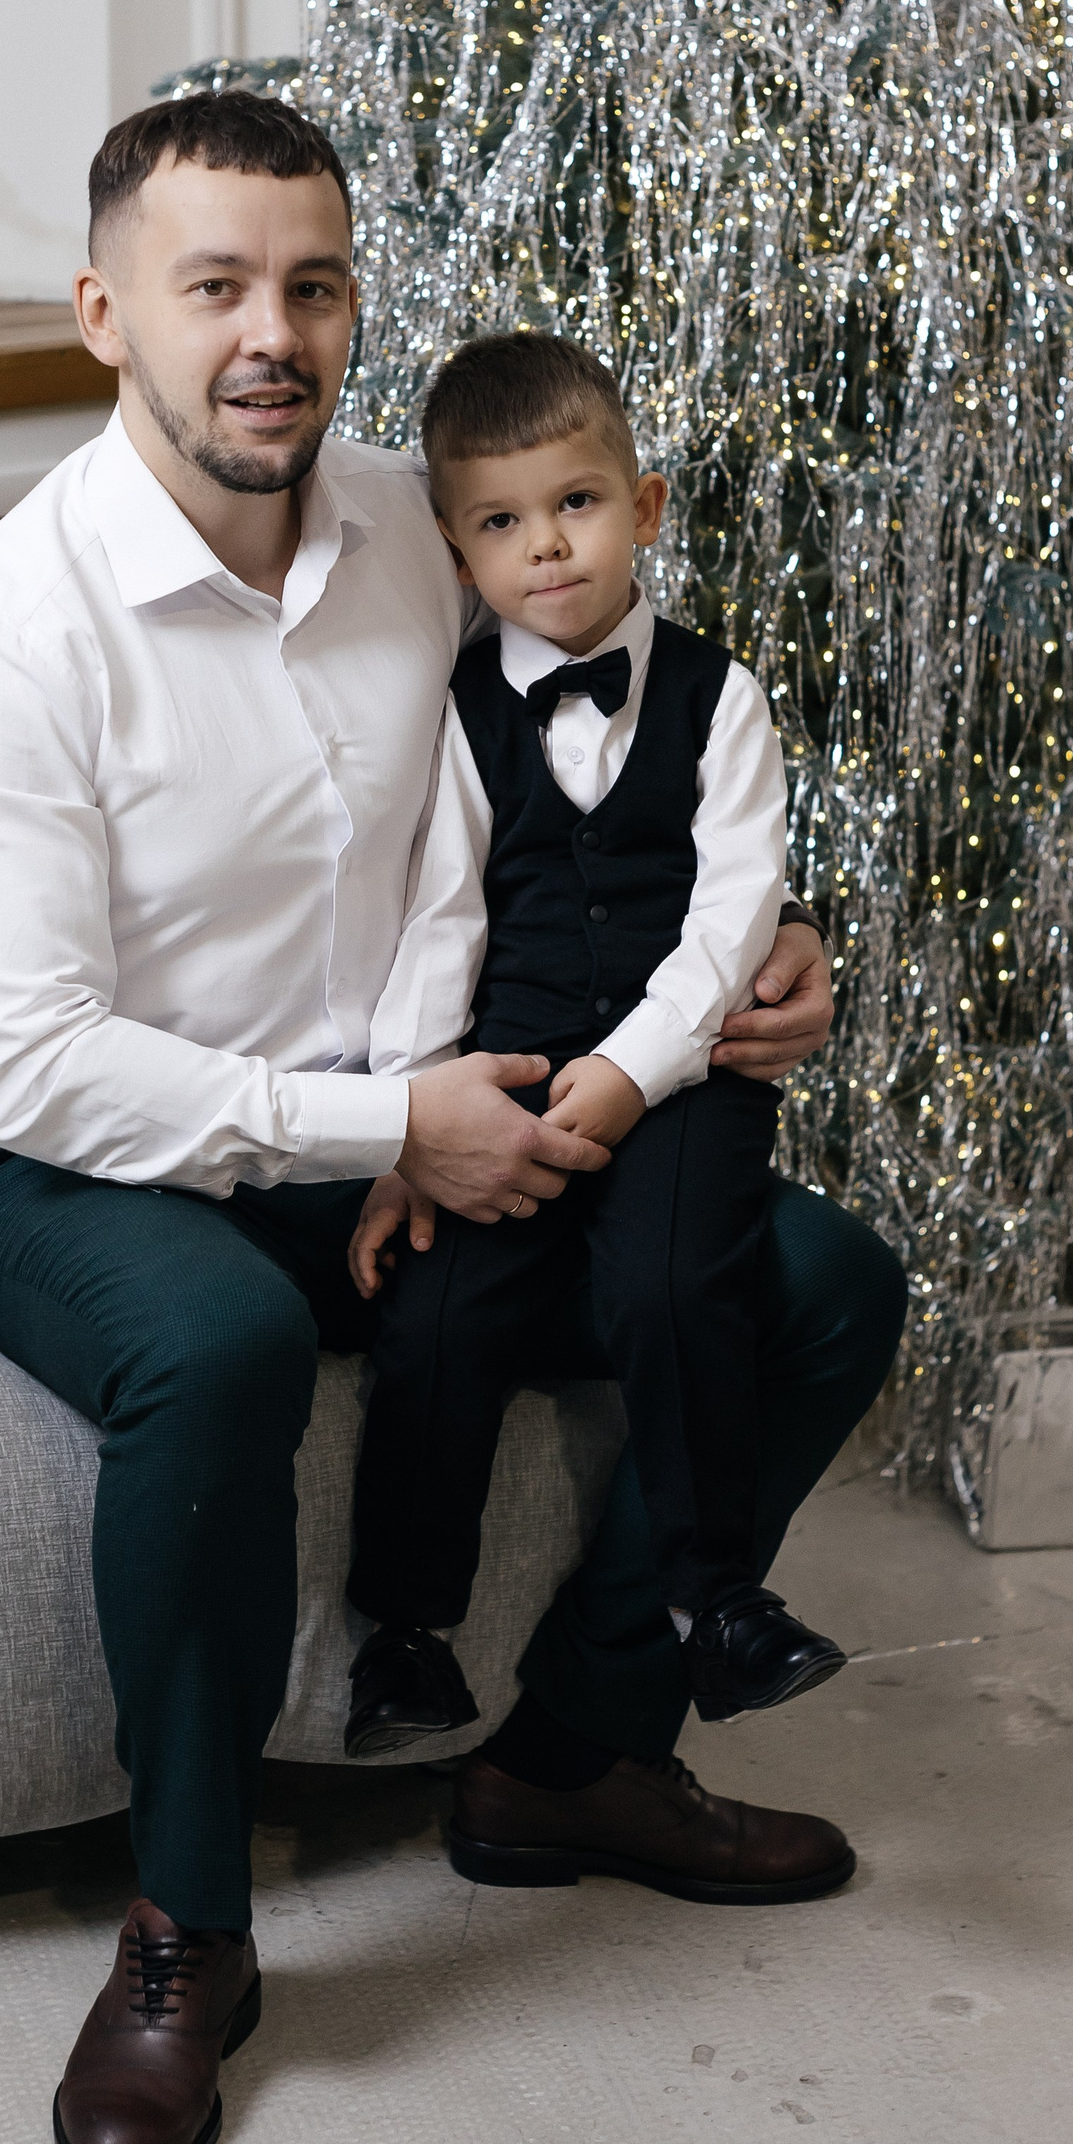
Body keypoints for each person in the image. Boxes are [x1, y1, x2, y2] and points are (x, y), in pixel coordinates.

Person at [0, 89, 904, 2144]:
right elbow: (33, 1068)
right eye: (214, 286)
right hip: (104, 1166)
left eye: (313, 285)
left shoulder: (426, 534)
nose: (273, 334)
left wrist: (774, 957)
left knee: (827, 1285)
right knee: (221, 1351)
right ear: (103, 313)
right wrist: (388, 1123)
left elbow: (617, 805)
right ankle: (188, 1927)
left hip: (433, 1120)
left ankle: (573, 1754)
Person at [341, 332, 847, 1767]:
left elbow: (736, 917)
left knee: (674, 1286)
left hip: (684, 1075)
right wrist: (406, 1126)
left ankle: (716, 1603)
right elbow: (441, 920)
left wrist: (634, 1073)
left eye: (577, 503)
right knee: (441, 1312)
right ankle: (406, 1634)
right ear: (459, 554)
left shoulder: (719, 697)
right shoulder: (459, 713)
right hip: (504, 1078)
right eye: (502, 522)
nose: (548, 546)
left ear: (647, 505)